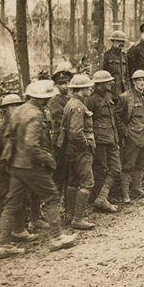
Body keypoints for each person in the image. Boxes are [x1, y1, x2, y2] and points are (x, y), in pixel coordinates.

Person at [0, 81, 77, 258]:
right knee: (51, 196)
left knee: (11, 203)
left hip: (15, 164)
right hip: (31, 165)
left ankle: (4, 244)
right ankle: (57, 238)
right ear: (43, 98)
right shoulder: (35, 114)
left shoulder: (20, 110)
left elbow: (9, 136)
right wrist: (47, 158)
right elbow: (31, 144)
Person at [0, 94, 37, 242]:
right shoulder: (0, 126)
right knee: (1, 199)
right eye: (11, 106)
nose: (15, 108)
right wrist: (3, 167)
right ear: (5, 109)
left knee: (23, 197)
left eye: (18, 105)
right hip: (2, 169)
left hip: (19, 167)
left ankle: (19, 230)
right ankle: (1, 236)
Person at [59, 75, 96, 230]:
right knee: (88, 182)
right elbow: (75, 132)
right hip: (80, 150)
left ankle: (70, 215)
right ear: (82, 89)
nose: (90, 89)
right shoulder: (79, 106)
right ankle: (78, 218)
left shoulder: (70, 103)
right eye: (88, 87)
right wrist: (86, 144)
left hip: (71, 150)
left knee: (73, 182)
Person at [115, 69, 144, 203]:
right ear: (133, 82)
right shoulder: (125, 97)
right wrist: (125, 132)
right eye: (139, 80)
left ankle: (136, 189)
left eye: (143, 80)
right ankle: (125, 194)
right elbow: (117, 117)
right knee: (128, 165)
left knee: (141, 163)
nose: (142, 83)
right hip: (132, 137)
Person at [85, 71, 121, 213]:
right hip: (99, 140)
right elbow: (87, 121)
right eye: (108, 82)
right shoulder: (91, 100)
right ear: (99, 85)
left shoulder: (108, 96)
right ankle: (99, 200)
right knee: (100, 169)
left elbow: (112, 119)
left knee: (116, 167)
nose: (111, 83)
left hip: (111, 137)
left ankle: (102, 197)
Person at [48, 62, 74, 192]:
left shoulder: (71, 98)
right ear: (56, 85)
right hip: (60, 139)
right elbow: (61, 119)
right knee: (60, 171)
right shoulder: (55, 100)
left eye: (66, 83)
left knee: (70, 171)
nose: (64, 86)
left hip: (71, 137)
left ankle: (67, 205)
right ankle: (54, 203)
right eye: (60, 84)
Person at [103, 30, 131, 103]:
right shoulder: (106, 55)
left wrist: (129, 88)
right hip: (112, 91)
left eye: (123, 41)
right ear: (113, 41)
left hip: (124, 91)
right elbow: (102, 74)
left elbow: (127, 75)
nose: (121, 43)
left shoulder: (124, 56)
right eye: (118, 41)